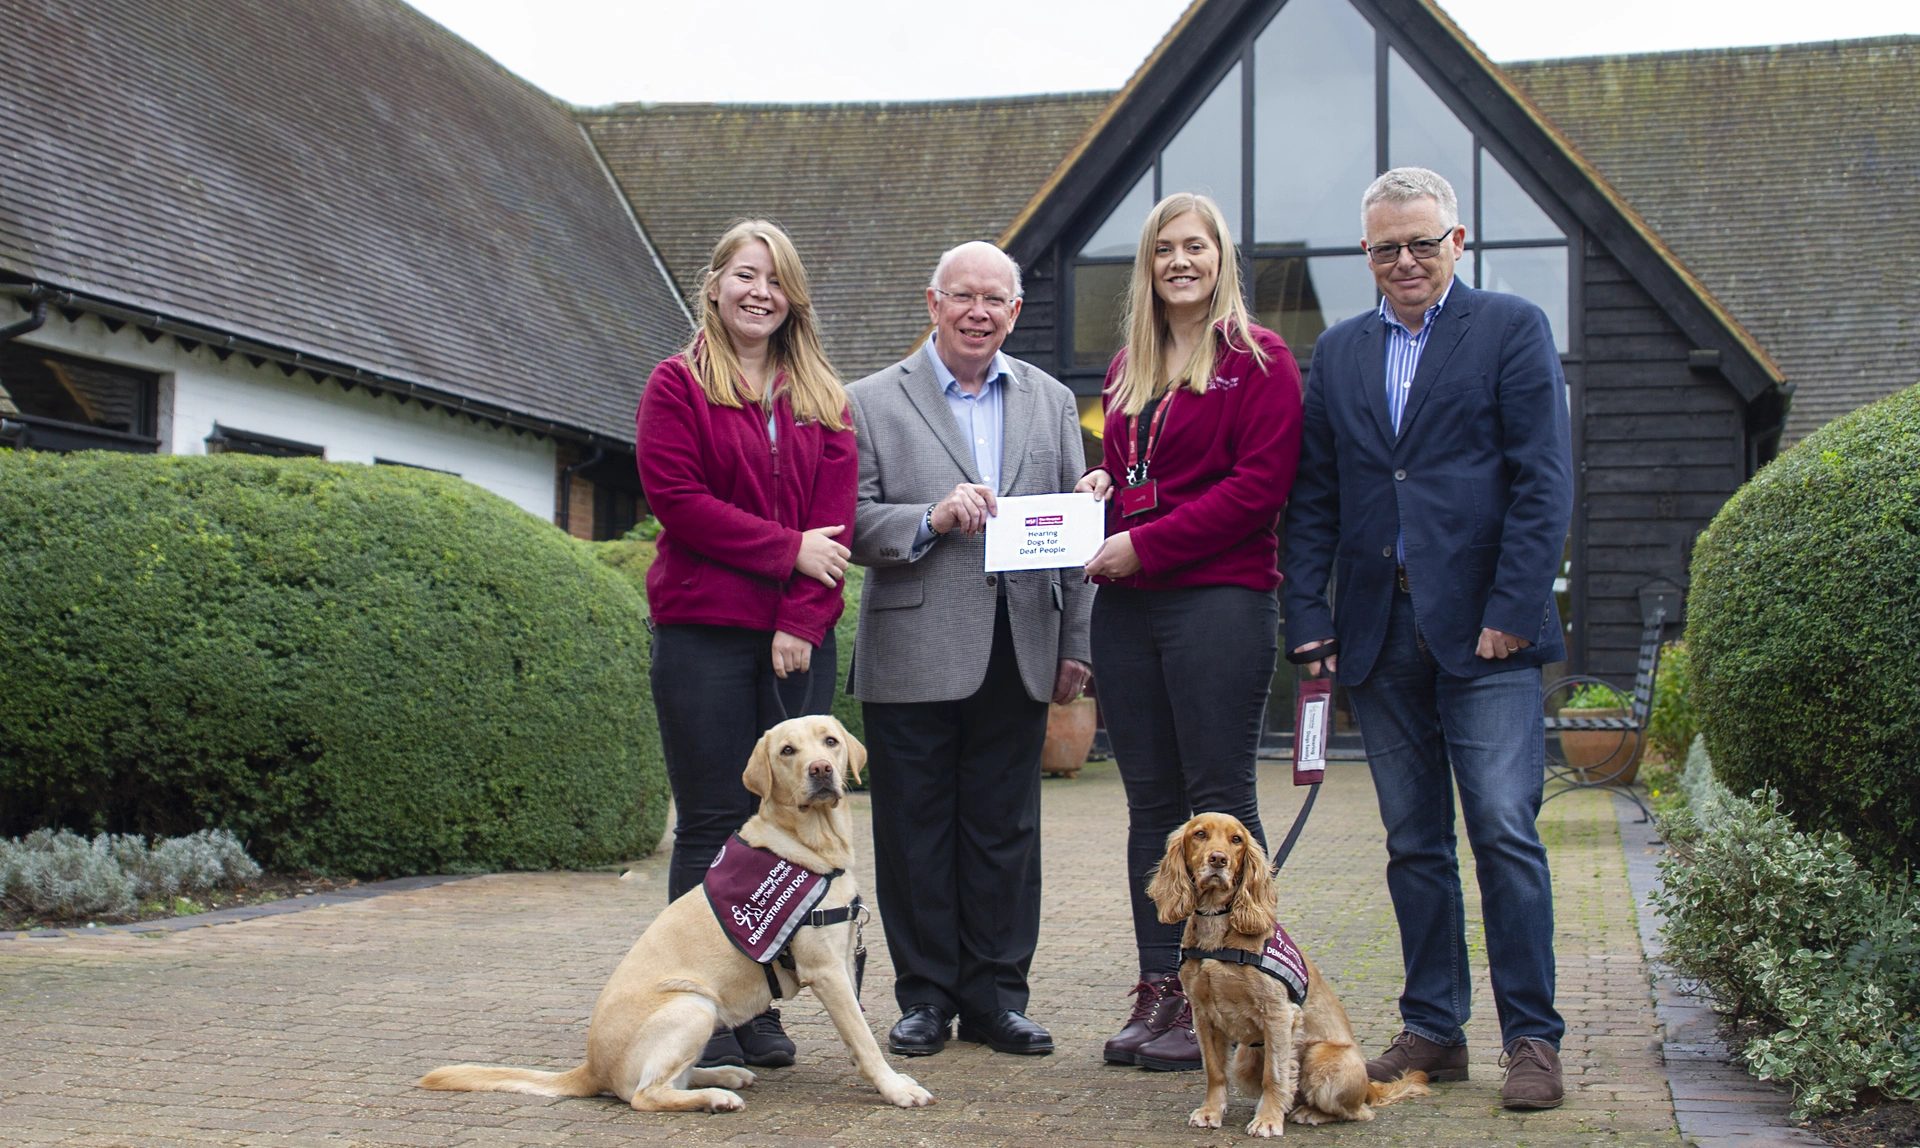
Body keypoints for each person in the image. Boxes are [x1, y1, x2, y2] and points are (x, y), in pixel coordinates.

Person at [1284, 168, 1575, 1109]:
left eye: (1420, 242)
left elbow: (1543, 483)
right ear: (1364, 255)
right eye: (1383, 247)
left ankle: (1532, 1038)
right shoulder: (1337, 352)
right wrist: (1311, 619)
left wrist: (1512, 610)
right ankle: (1435, 1030)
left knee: (1501, 832)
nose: (1402, 260)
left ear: (1459, 242)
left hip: (1488, 633)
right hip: (1378, 633)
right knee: (1414, 844)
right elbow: (1316, 500)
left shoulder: (1511, 329)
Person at [846, 241, 1093, 1059]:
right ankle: (923, 999)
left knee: (1006, 832)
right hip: (913, 645)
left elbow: (1074, 538)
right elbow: (851, 520)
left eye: (996, 300)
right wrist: (930, 517)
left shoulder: (1054, 402)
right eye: (963, 297)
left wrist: (1076, 643)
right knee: (914, 833)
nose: (979, 312)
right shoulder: (871, 401)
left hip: (1020, 644)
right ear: (933, 302)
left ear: (1016, 313)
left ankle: (997, 997)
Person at [1075, 192, 1304, 1072]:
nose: (1180, 261)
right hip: (1129, 606)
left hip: (1219, 599)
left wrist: (1145, 539)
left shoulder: (1260, 360)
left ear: (1220, 260)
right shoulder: (1129, 365)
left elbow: (1257, 490)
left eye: (1195, 247)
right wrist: (1104, 490)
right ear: (1149, 263)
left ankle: (1240, 985)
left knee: (1220, 803)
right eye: (1164, 248)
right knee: (1151, 808)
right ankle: (1164, 989)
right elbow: (1137, 472)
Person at [634, 219, 856, 1071]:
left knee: (795, 824)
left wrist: (802, 619)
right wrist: (783, 547)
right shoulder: (677, 384)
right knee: (715, 824)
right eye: (746, 276)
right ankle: (709, 1003)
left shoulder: (824, 396)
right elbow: (678, 500)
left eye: (777, 280)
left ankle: (764, 1006)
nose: (760, 292)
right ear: (717, 284)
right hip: (702, 637)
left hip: (797, 642)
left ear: (791, 297)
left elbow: (832, 531)